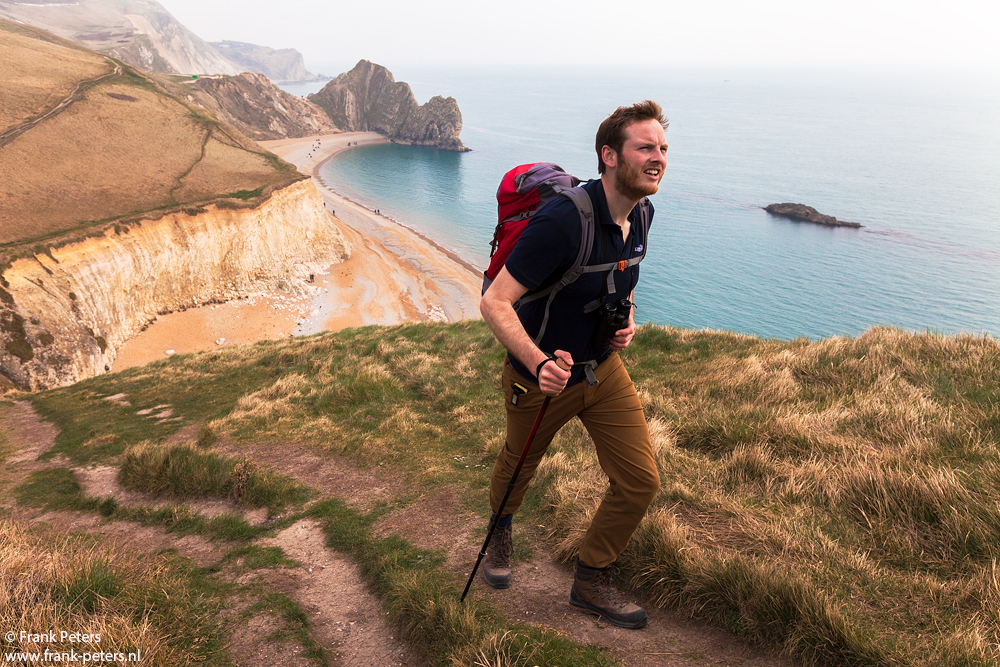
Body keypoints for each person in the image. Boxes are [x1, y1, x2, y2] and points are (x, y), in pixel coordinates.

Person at [478, 100, 668, 629]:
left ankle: (591, 582)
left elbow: (623, 276)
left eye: (663, 149)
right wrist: (538, 363)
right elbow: (494, 301)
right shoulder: (563, 221)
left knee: (640, 481)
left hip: (602, 371)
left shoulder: (643, 213)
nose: (658, 159)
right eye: (645, 147)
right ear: (609, 155)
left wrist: (626, 318)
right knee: (519, 463)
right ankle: (500, 531)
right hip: (541, 378)